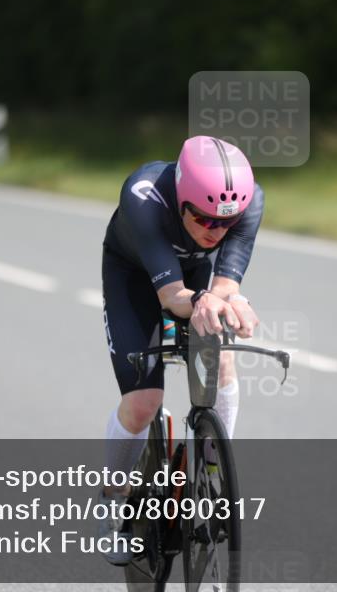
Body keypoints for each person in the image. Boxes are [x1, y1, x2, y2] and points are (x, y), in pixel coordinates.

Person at [97, 135, 263, 565]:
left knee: (222, 358)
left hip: (193, 274)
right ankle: (112, 500)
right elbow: (172, 297)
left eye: (227, 222)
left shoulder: (246, 201)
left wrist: (229, 300)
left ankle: (212, 469)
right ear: (181, 201)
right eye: (205, 220)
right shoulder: (145, 197)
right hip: (135, 276)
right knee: (142, 402)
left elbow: (225, 285)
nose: (216, 231)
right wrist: (202, 300)